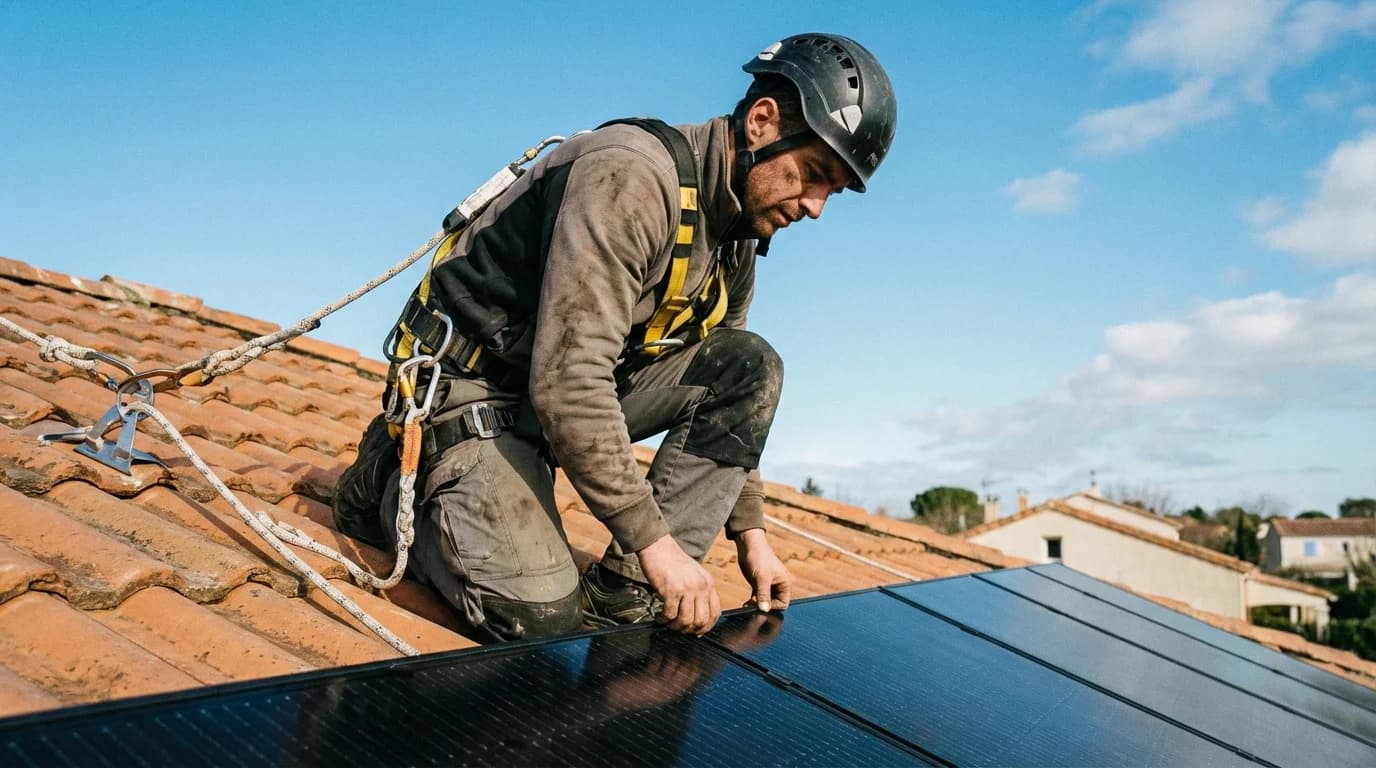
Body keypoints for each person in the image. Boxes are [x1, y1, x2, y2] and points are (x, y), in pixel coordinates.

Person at [333, 32, 897, 643]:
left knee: (750, 366)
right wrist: (659, 545)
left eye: (832, 192)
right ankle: (393, 483)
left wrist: (752, 536)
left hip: (546, 407)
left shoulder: (736, 234)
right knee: (538, 619)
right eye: (813, 174)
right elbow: (570, 381)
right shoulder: (631, 178)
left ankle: (625, 594)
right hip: (475, 390)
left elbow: (732, 399)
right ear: (762, 121)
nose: (815, 206)